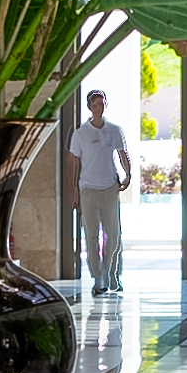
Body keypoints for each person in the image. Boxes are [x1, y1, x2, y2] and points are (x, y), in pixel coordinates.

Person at [64, 89, 134, 295]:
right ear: (89, 107)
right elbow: (74, 164)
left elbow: (123, 153)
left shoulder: (113, 130)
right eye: (95, 105)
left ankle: (112, 274)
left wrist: (128, 174)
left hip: (109, 187)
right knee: (92, 236)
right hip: (88, 189)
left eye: (101, 104)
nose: (99, 108)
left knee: (113, 235)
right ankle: (99, 279)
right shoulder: (80, 134)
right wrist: (73, 192)